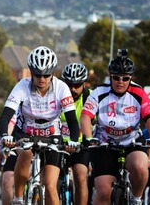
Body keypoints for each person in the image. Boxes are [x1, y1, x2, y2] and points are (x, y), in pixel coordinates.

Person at [0, 46, 80, 205]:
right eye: (37, 75)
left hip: (52, 135)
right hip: (25, 132)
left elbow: (72, 120)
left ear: (53, 73)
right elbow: (5, 116)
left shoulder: (61, 88)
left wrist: (73, 140)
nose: (42, 79)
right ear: (31, 72)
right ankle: (18, 198)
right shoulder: (22, 85)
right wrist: (4, 135)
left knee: (50, 185)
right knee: (26, 152)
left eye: (46, 75)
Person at [80, 48, 150, 205]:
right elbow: (85, 117)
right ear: (110, 76)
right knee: (104, 193)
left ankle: (136, 199)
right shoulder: (99, 92)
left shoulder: (139, 93)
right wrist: (89, 138)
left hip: (132, 142)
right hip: (104, 143)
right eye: (116, 78)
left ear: (130, 78)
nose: (120, 82)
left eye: (125, 78)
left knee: (140, 166)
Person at [60, 62, 93, 205]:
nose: (72, 89)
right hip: (59, 145)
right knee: (50, 180)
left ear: (84, 84)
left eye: (77, 85)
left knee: (80, 177)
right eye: (68, 84)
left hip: (81, 146)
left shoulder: (91, 98)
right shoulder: (57, 96)